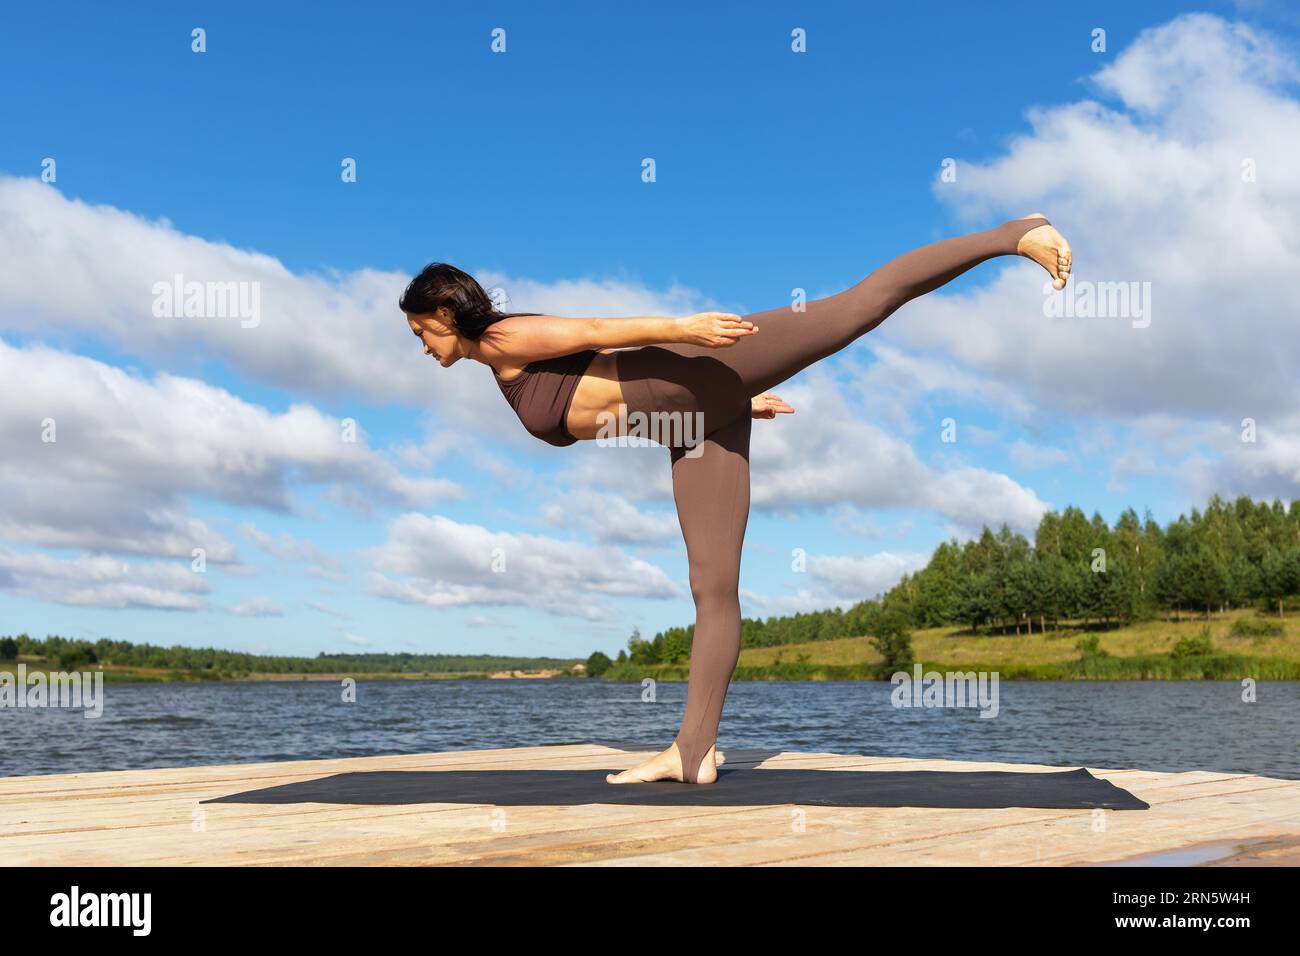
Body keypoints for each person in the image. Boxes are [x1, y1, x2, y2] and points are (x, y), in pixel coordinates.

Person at [400, 215, 1071, 783]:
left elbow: (598, 329)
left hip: (699, 363)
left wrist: (685, 330)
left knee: (854, 307)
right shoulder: (501, 369)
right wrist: (735, 401)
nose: (423, 349)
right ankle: (693, 751)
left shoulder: (503, 338)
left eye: (422, 334)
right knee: (712, 587)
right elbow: (622, 407)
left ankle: (1016, 234)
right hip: (696, 416)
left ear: (445, 313)